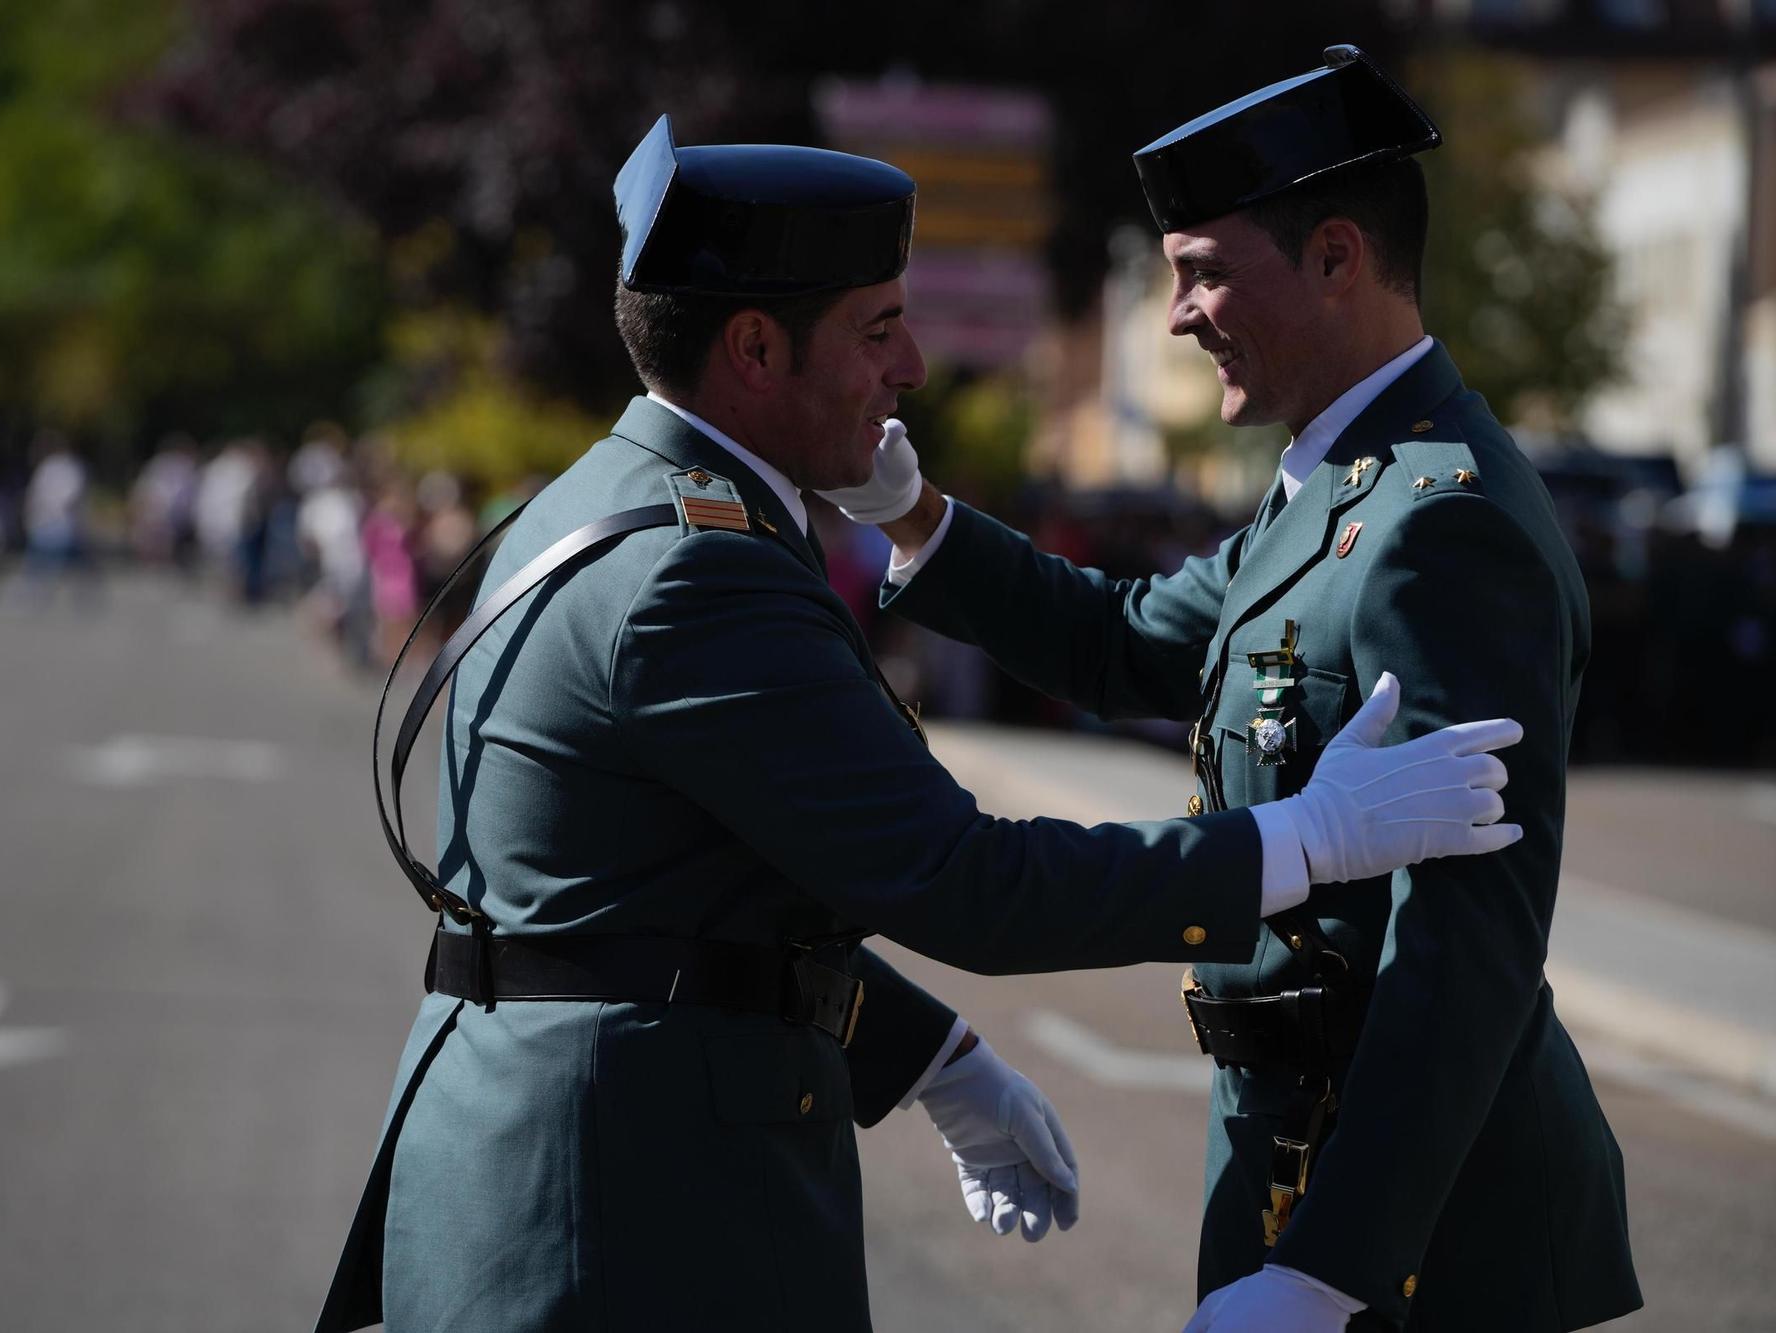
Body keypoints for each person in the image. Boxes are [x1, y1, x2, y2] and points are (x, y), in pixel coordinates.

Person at [315, 112, 1528, 1333]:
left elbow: (674, 902)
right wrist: (1303, 841)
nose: (912, 369)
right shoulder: (697, 569)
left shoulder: (605, 499)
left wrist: (922, 1052)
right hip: (617, 1214)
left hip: (558, 1175)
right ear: (751, 347)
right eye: (878, 328)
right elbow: (959, 875)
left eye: (1204, 271)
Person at [826, 46, 1641, 1333]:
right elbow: (1124, 644)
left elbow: (1464, 942)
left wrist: (1332, 1268)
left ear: (1334, 256)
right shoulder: (1334, 484)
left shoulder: (1439, 519)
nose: (1175, 315)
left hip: (1422, 1236)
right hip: (1285, 1162)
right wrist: (914, 516)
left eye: (1203, 272)